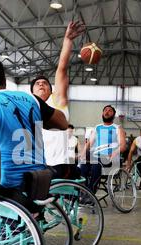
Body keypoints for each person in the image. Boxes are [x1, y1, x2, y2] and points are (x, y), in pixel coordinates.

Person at [0, 58, 68, 211]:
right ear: (5, 81)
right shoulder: (31, 99)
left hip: (11, 184)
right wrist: (39, 118)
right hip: (40, 179)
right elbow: (62, 122)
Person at [30, 21, 86, 180]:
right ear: (32, 91)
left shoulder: (57, 100)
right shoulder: (28, 105)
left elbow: (61, 68)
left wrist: (68, 40)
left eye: (45, 83)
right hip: (36, 162)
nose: (41, 84)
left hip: (58, 163)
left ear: (51, 89)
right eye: (37, 83)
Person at [80, 105, 127, 193]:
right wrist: (82, 154)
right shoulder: (97, 127)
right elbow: (89, 143)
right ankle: (83, 192)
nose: (107, 112)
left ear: (114, 115)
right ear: (102, 113)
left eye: (110, 111)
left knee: (96, 165)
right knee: (83, 166)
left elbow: (123, 146)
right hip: (96, 156)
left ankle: (91, 194)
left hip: (110, 158)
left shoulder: (117, 128)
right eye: (105, 110)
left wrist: (115, 153)